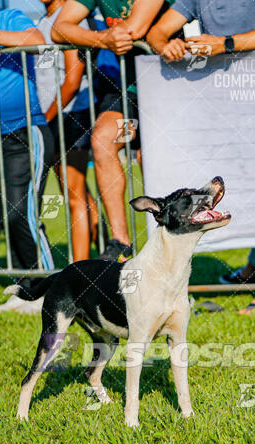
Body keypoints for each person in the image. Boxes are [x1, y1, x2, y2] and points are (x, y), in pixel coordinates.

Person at [147, 1, 255, 314]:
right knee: (219, 186)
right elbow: (157, 32)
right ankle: (239, 273)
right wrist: (167, 45)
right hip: (219, 100)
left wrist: (225, 44)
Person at [51, 0, 175, 261]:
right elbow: (59, 29)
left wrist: (98, 37)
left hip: (169, 82)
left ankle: (170, 246)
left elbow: (134, 29)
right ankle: (121, 243)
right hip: (130, 89)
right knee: (104, 138)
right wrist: (101, 37)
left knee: (150, 158)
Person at [0, 8, 55, 314]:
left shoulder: (9, 17)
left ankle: (48, 289)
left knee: (22, 211)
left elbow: (37, 40)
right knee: (6, 215)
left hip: (24, 131)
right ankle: (23, 290)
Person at [36, 0, 101, 262]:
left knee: (74, 196)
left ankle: (81, 271)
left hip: (70, 115)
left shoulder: (73, 18)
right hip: (54, 117)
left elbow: (73, 79)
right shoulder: (44, 20)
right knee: (76, 192)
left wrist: (45, 120)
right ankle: (110, 251)